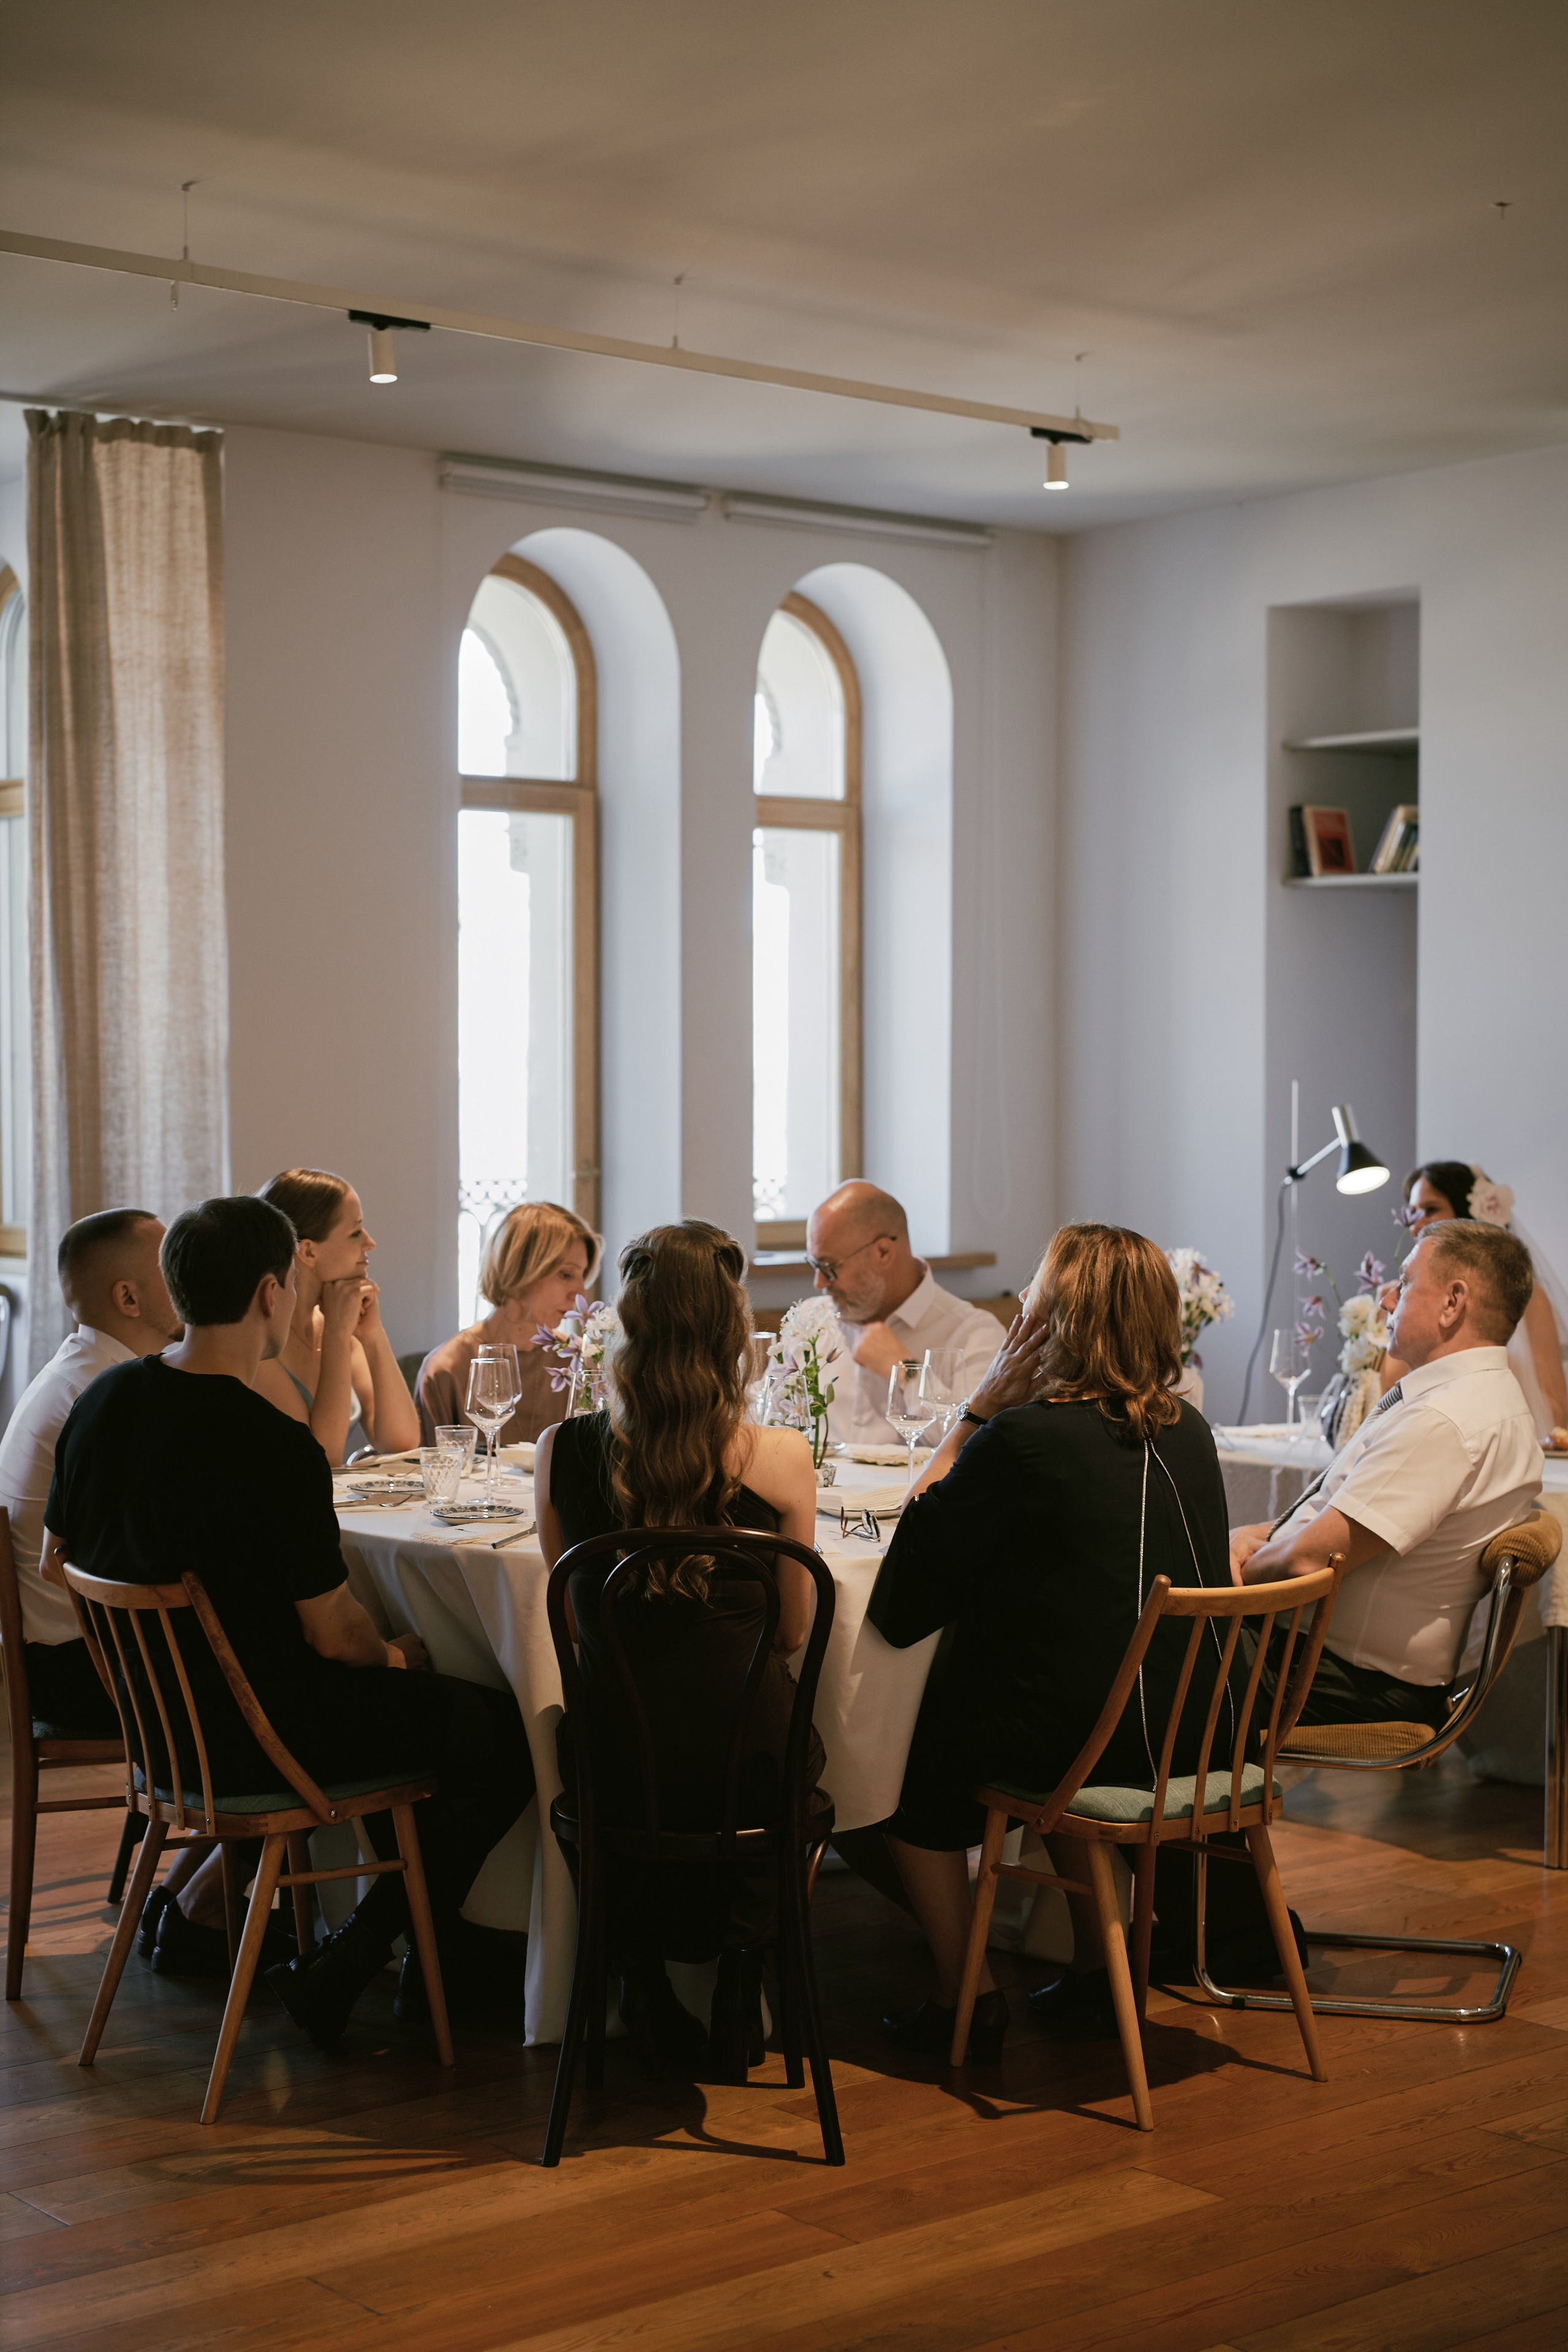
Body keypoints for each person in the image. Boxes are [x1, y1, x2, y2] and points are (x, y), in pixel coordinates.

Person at [43, 1194, 534, 2045]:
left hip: (164, 1732)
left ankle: (423, 1956)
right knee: (500, 1730)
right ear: (274, 1293)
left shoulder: (104, 1404)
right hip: (265, 1735)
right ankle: (366, 1958)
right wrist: (397, 1657)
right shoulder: (270, 1445)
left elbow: (60, 1560)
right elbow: (335, 1637)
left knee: (418, 1720)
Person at [867, 1223, 1249, 2057]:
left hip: (1094, 1748)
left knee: (901, 1776)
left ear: (1055, 1320)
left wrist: (977, 1411)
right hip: (1200, 1732)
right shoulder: (1189, 1429)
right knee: (1073, 1685)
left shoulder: (1025, 1439)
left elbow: (909, 1572)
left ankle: (963, 1994)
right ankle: (1093, 1972)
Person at [536, 1219, 824, 2082]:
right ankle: (743, 1975)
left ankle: (640, 1979)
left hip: (622, 1760)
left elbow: (579, 1618)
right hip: (746, 1761)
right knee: (777, 1750)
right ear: (734, 1333)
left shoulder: (564, 1452)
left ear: (627, 1326)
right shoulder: (780, 1459)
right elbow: (795, 1631)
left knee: (591, 1742)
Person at [1231, 1219, 1543, 1736]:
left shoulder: (1444, 1420)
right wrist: (1262, 1537)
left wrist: (1234, 1575)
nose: (1387, 1297)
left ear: (1452, 1302)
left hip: (1341, 1678)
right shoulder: (1484, 1399)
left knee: (1130, 1645)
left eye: (1405, 1280)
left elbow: (1312, 1560)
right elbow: (1343, 1512)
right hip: (1343, 1666)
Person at [0, 1209, 182, 1736]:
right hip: (88, 1671)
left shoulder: (82, 1370)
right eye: (170, 1265)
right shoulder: (105, 1395)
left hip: (72, 1653)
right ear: (128, 1298)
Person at [1381, 1163, 1568, 1442]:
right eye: (1413, 1212)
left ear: (1467, 1214)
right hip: (1424, 1438)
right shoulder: (1399, 1296)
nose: (1416, 1224)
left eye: (1430, 1210)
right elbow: (1390, 1391)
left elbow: (1553, 1397)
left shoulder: (1529, 1297)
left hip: (1503, 1442)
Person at [805, 1182, 1002, 1447]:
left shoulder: (974, 1334)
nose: (819, 1283)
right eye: (814, 1265)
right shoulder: (810, 1320)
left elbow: (973, 1447)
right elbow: (763, 1413)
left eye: (829, 1267)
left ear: (883, 1252)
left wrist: (907, 1372)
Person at [252, 1169, 419, 1466]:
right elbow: (322, 1456)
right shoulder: (261, 1345)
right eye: (355, 1232)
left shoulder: (337, 1327)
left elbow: (401, 1440)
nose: (370, 1243)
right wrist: (337, 1337)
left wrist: (372, 1334)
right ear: (308, 1252)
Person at [417, 1200, 600, 1447]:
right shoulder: (447, 1369)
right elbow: (430, 1474)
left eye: (583, 1276)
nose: (580, 1295)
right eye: (566, 1274)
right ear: (521, 1269)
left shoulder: (580, 1361)